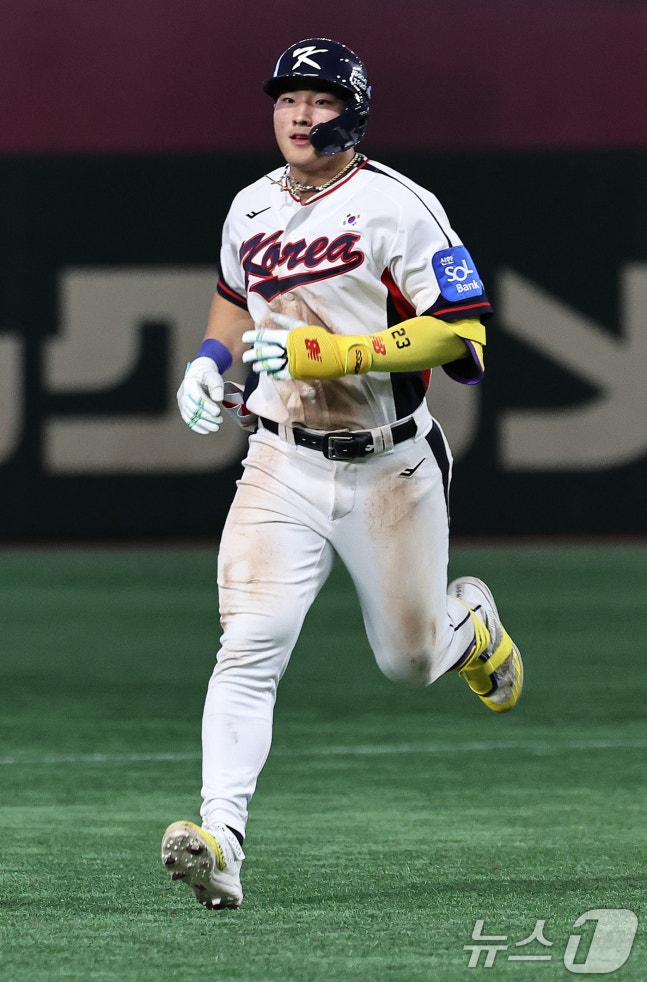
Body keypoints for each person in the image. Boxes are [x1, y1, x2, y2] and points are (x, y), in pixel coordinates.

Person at [161, 37, 523, 910]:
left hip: (388, 463)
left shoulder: (398, 206)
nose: (299, 114)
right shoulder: (251, 205)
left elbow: (462, 333)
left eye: (319, 100)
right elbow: (234, 295)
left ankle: (468, 628)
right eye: (287, 98)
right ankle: (221, 839)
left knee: (408, 660)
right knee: (248, 646)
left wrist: (337, 353)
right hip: (279, 457)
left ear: (352, 114)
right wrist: (209, 359)